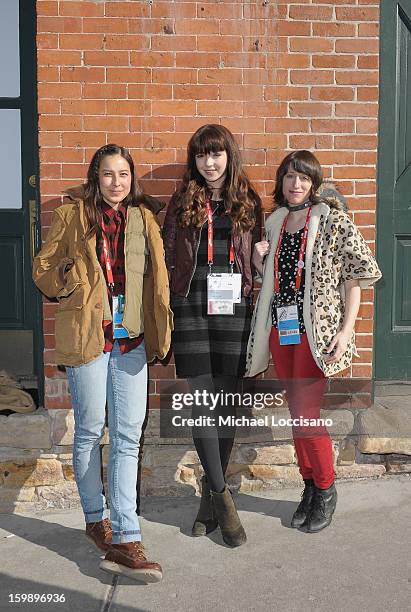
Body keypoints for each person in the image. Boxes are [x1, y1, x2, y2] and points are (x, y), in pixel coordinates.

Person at [33, 144, 173, 582]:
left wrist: (161, 327)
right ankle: (97, 519)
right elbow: (43, 267)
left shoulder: (143, 219)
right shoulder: (72, 216)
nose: (117, 182)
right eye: (109, 174)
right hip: (89, 338)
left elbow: (158, 279)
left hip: (130, 339)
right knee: (91, 431)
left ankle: (127, 536)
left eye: (124, 175)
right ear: (96, 178)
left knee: (129, 436)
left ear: (133, 180)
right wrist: (69, 280)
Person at [247, 150, 381, 532]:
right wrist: (259, 261)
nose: (296, 184)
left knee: (307, 414)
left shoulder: (333, 221)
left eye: (304, 178)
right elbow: (270, 282)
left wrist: (347, 330)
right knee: (296, 414)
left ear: (314, 184)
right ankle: (309, 487)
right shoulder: (274, 223)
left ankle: (325, 488)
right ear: (281, 181)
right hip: (280, 331)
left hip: (315, 333)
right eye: (290, 176)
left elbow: (356, 278)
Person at [163, 124, 261, 546]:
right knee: (203, 400)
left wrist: (256, 269)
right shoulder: (182, 200)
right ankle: (223, 495)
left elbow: (259, 257)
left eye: (216, 153)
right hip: (191, 303)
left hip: (233, 307)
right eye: (202, 155)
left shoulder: (248, 201)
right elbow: (169, 252)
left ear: (228, 155)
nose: (210, 162)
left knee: (228, 401)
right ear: (195, 160)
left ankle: (209, 500)